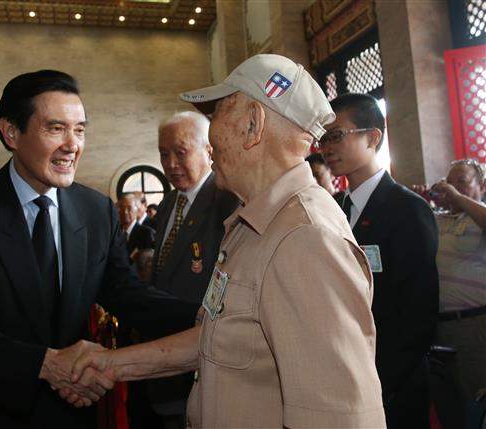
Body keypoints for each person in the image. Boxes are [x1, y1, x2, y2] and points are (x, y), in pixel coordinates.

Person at [68, 54, 386, 428]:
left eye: (218, 113)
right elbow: (220, 337)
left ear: (253, 124)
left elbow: (341, 416)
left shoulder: (306, 238)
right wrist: (113, 363)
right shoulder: (254, 223)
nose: (210, 136)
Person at [0, 70, 198, 428]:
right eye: (56, 128)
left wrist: (208, 317)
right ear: (11, 133)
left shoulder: (96, 211)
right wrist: (43, 365)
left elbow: (127, 294)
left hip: (69, 414)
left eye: (80, 130)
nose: (72, 145)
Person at [319, 93, 439, 428]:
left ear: (372, 137)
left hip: (392, 382)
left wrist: (378, 381)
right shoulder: (333, 208)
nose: (327, 148)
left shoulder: (407, 210)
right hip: (343, 372)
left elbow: (419, 313)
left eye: (336, 136)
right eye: (323, 138)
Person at [147, 111, 239, 428]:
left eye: (180, 152)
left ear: (208, 151)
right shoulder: (168, 205)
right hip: (165, 362)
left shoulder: (227, 201)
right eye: (164, 154)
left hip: (206, 361)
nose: (171, 164)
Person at [414, 159, 486, 429]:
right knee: (451, 406)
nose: (453, 187)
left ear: (482, 185)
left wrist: (457, 197)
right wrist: (418, 202)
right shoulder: (438, 218)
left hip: (474, 324)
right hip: (439, 327)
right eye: (449, 182)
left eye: (462, 182)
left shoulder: (479, 216)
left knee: (479, 402)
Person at [117, 193, 155, 261]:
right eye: (122, 207)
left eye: (129, 208)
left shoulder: (146, 233)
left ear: (136, 210)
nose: (125, 212)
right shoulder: (115, 232)